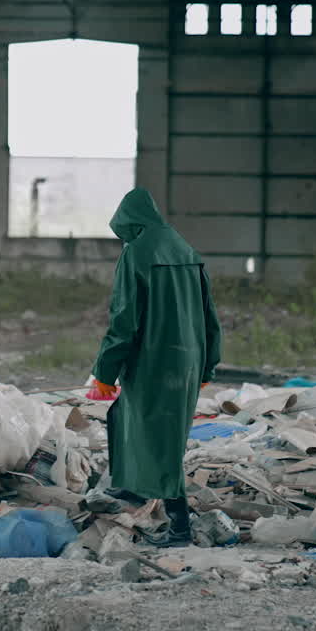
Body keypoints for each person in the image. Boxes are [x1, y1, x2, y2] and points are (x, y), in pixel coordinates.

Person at [91, 187, 221, 545]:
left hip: (153, 361)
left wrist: (104, 372)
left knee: (158, 442)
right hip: (189, 360)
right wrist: (209, 364)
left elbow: (124, 319)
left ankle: (179, 526)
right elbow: (210, 314)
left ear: (129, 223)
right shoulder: (186, 249)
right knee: (135, 422)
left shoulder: (137, 253)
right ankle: (132, 488)